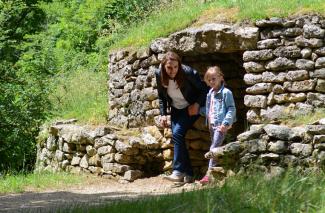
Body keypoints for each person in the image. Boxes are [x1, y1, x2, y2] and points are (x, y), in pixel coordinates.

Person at [155, 51, 208, 183]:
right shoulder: (159, 74)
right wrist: (163, 114)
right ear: (163, 67)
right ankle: (189, 174)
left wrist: (196, 104)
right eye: (169, 67)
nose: (172, 70)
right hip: (176, 109)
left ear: (179, 65)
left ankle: (178, 171)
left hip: (190, 108)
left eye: (175, 67)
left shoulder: (188, 72)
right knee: (178, 137)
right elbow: (162, 96)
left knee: (177, 134)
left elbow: (204, 90)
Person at [199, 66, 236, 184]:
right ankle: (218, 173)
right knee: (216, 148)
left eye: (213, 79)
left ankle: (208, 174)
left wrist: (226, 123)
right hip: (212, 125)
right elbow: (210, 109)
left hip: (221, 126)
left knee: (213, 148)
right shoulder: (210, 93)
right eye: (209, 80)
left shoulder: (226, 93)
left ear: (221, 77)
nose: (211, 82)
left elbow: (231, 108)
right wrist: (199, 111)